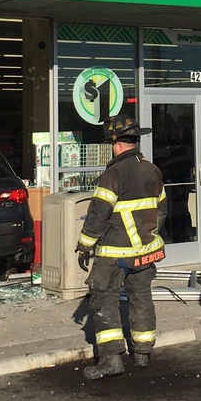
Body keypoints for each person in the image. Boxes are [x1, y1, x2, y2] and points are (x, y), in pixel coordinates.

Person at [74, 114, 167, 380]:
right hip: (146, 251)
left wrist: (84, 246)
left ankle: (111, 359)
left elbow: (98, 214)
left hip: (115, 253)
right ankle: (142, 353)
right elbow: (162, 210)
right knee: (141, 299)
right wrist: (148, 236)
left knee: (103, 298)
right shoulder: (152, 169)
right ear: (136, 140)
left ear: (115, 143)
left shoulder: (114, 173)